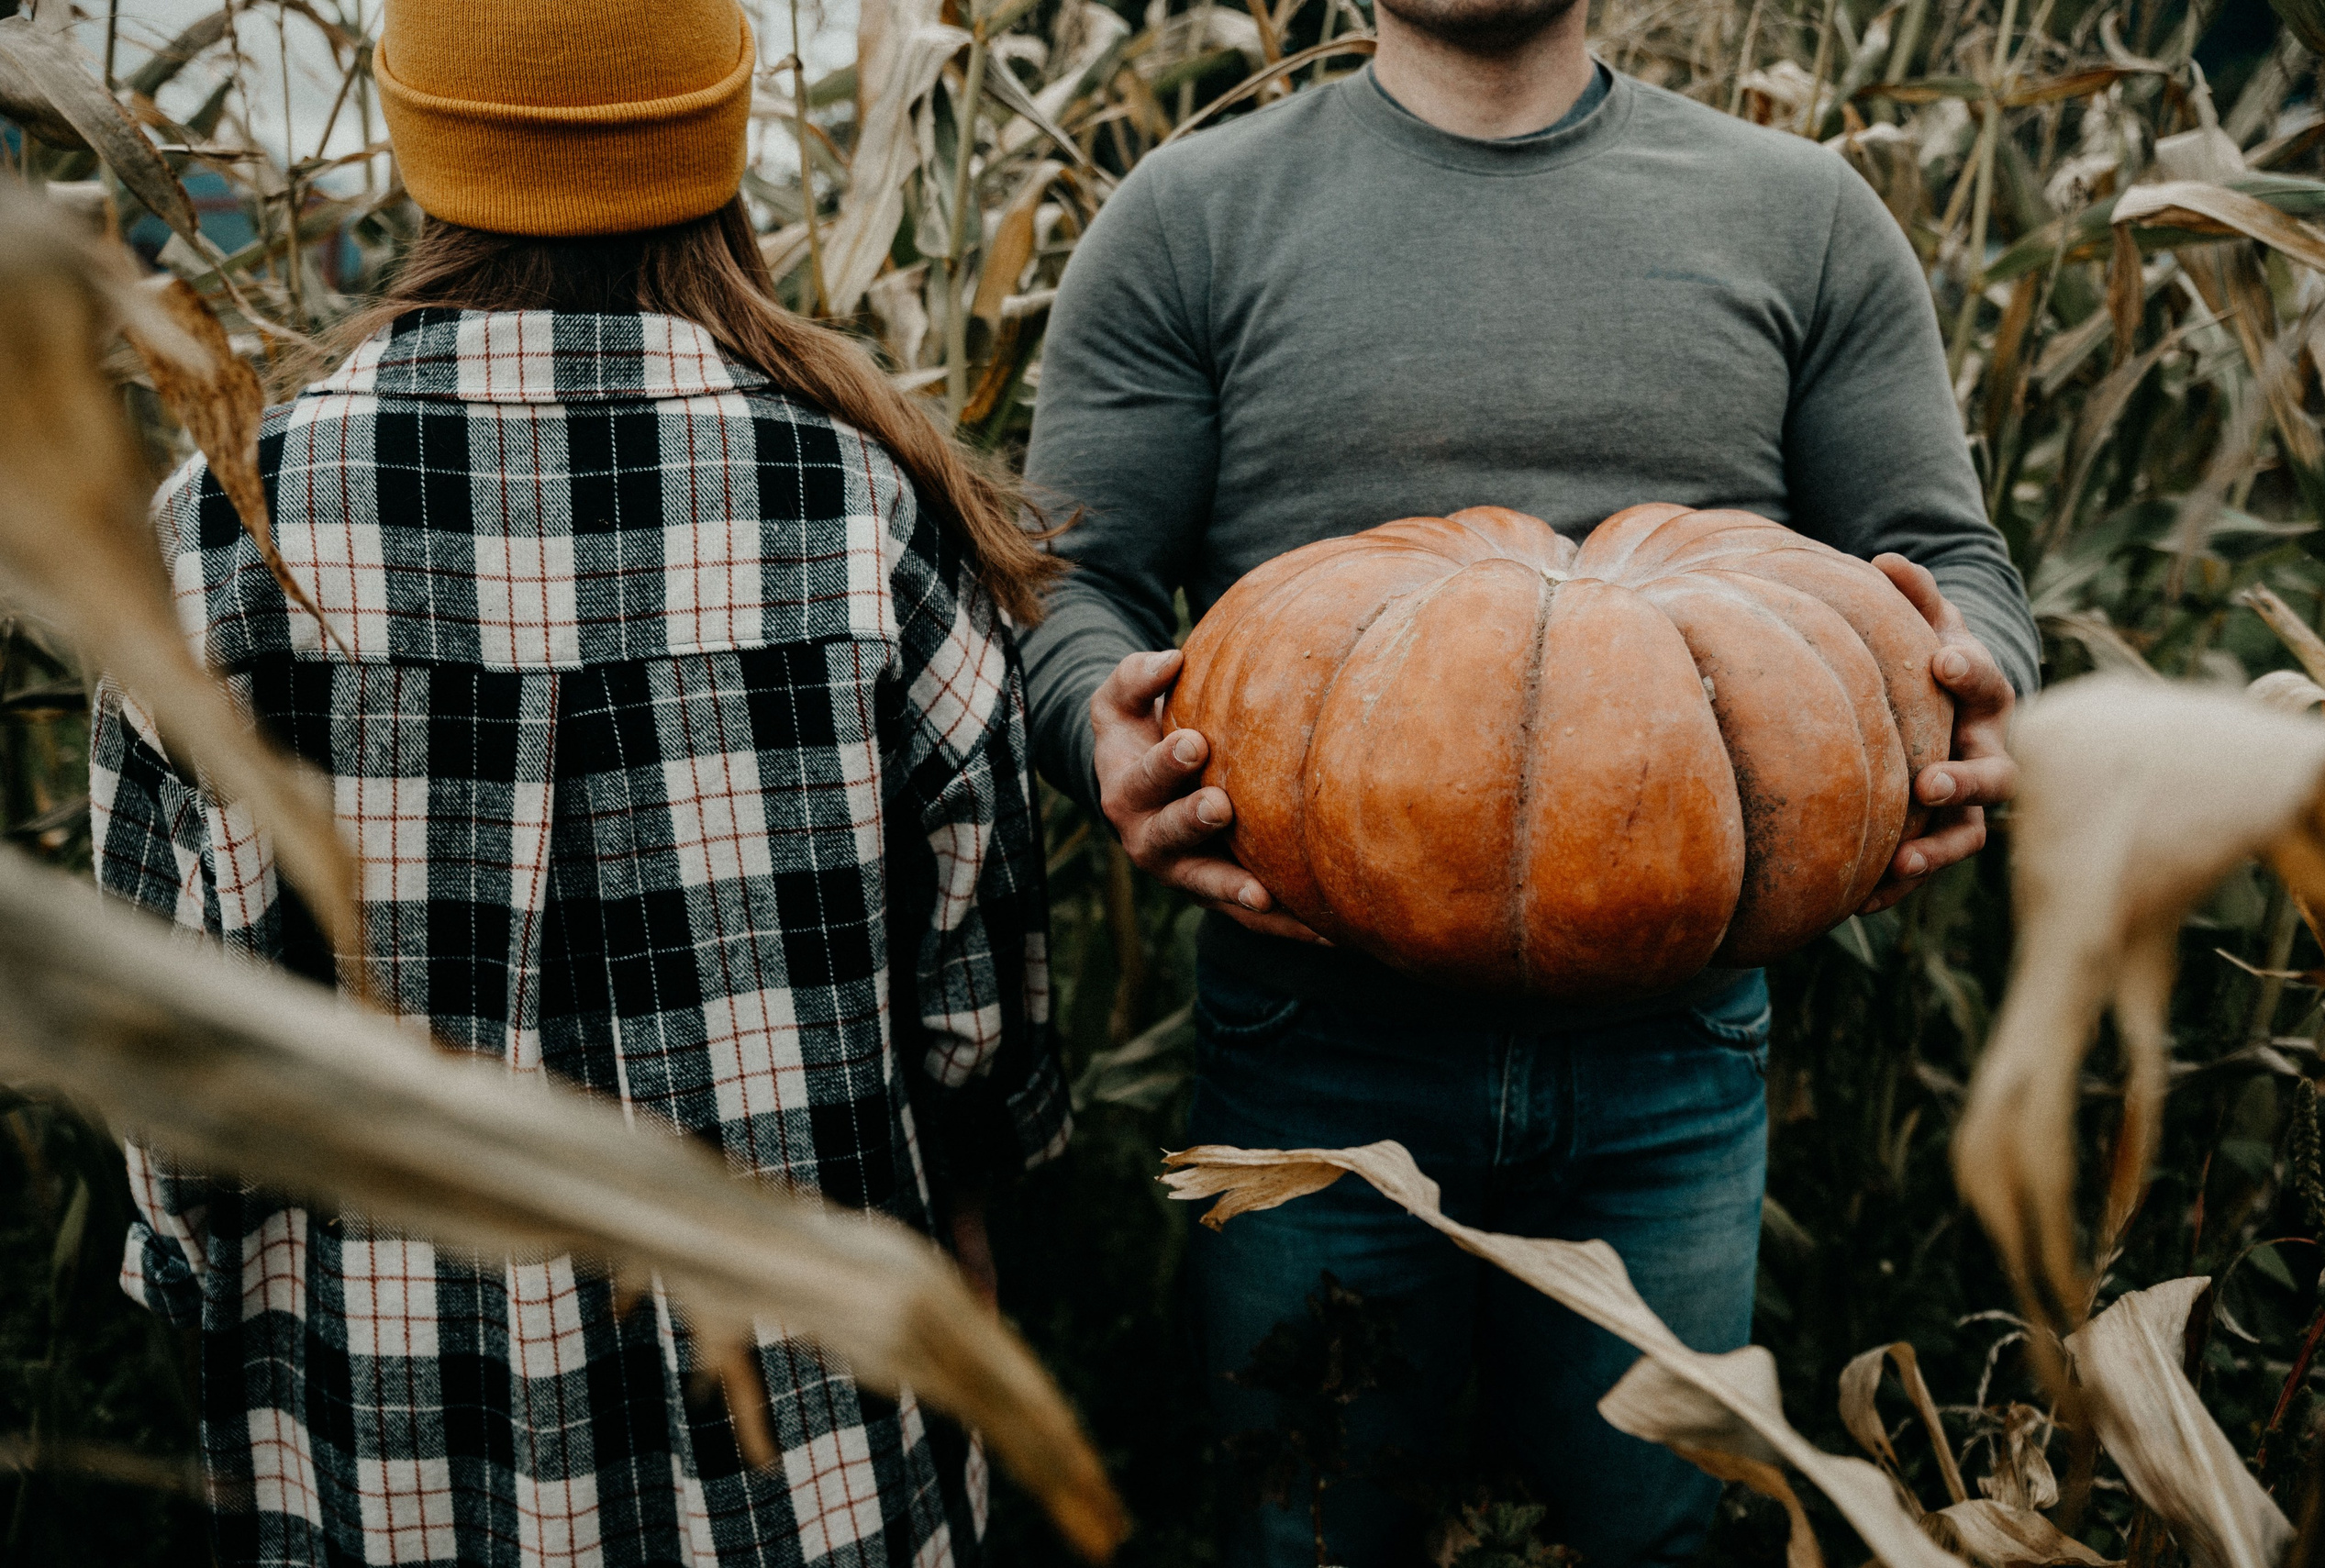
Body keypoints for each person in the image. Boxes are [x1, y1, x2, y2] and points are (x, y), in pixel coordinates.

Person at [1018, 0, 2038, 1559]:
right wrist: (1097, 721)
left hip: (1676, 1052)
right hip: (1312, 1045)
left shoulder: (1800, 213)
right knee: (1301, 1529)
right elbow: (1067, 584)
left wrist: (1978, 688)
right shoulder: (1192, 216)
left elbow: (1953, 561)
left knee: (1658, 1530)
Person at [90, 3, 1066, 1564]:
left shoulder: (219, 536)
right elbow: (974, 1017)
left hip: (378, 1442)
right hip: (806, 1446)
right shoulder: (856, 503)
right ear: (715, 131)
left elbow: (164, 1076)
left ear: (423, 136)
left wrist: (191, 1263)